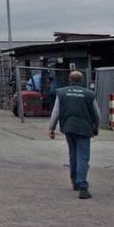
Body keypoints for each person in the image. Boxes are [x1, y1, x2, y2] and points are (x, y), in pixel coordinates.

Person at [48, 71, 100, 199]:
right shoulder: (89, 94)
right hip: (84, 128)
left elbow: (56, 112)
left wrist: (51, 128)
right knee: (83, 157)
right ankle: (82, 185)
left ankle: (74, 180)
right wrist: (96, 128)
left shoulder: (61, 93)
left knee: (73, 155)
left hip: (68, 127)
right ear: (81, 80)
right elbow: (97, 114)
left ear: (69, 79)